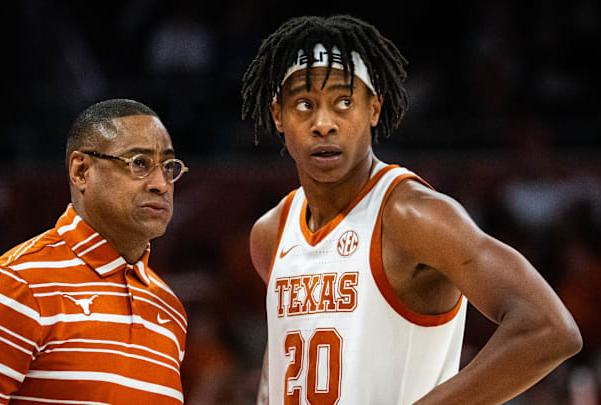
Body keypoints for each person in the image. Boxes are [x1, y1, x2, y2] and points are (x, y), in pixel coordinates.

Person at [241, 15, 582, 404]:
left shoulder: (411, 215)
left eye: (344, 102)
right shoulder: (270, 233)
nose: (323, 123)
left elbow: (549, 328)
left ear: (373, 109)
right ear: (278, 115)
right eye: (304, 104)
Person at [0, 99, 190, 404]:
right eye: (138, 163)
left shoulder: (170, 308)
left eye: (169, 167)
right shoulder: (17, 287)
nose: (161, 183)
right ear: (81, 171)